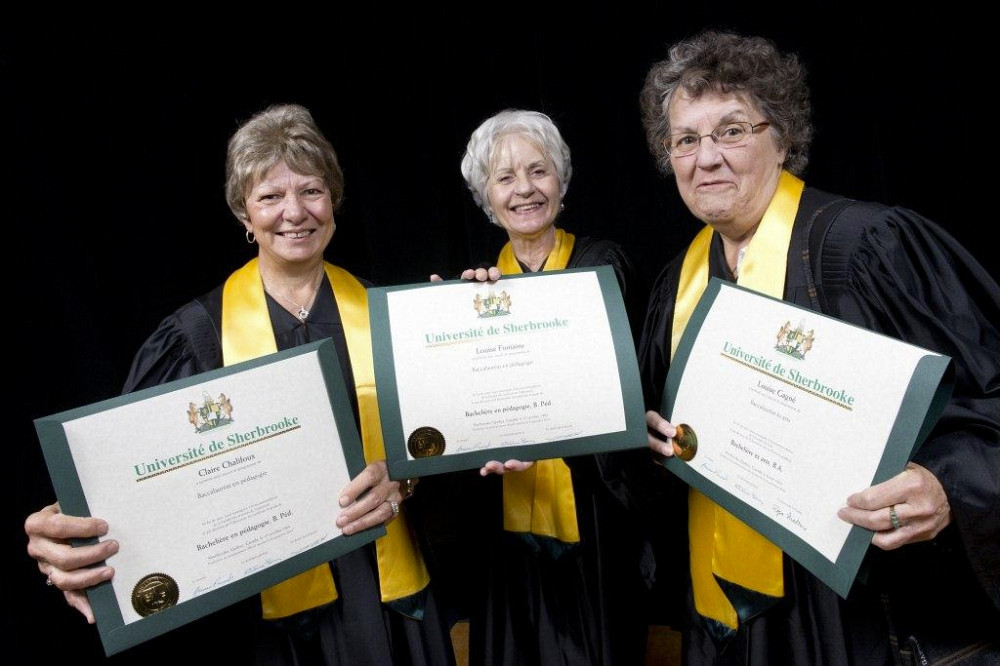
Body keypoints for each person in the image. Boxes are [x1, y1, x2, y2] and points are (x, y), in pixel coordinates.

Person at [24, 103, 457, 665]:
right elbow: (134, 479)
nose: (294, 212)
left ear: (335, 202)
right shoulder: (195, 338)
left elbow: (447, 456)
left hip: (397, 608)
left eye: (311, 191)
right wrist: (67, 530)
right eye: (270, 197)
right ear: (243, 215)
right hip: (271, 628)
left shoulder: (388, 318)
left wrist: (403, 483)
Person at [638, 30, 1000, 664]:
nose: (707, 157)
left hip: (856, 613)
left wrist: (948, 484)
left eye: (731, 131)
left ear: (782, 139)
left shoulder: (866, 247)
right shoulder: (676, 286)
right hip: (725, 619)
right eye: (686, 140)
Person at [417, 108, 667, 666]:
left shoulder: (606, 267)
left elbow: (635, 391)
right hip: (505, 530)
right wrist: (445, 337)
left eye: (538, 171)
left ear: (561, 179)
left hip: (595, 522)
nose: (524, 189)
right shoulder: (476, 294)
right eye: (505, 178)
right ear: (486, 195)